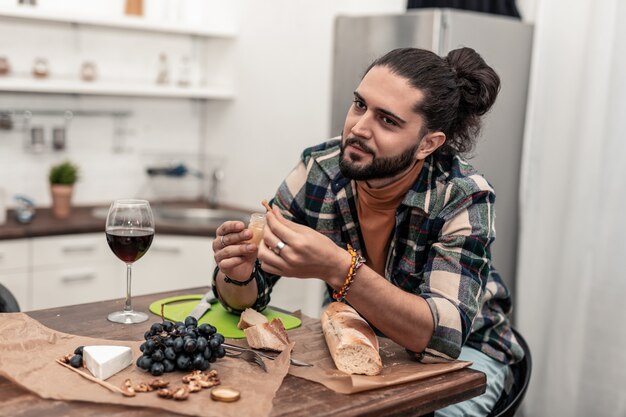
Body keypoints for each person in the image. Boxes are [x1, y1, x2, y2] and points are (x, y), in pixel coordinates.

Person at [211, 47, 524, 416]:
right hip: (360, 339)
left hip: (469, 355)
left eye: (387, 121)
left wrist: (338, 268)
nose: (359, 128)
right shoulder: (320, 170)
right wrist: (238, 275)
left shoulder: (463, 194)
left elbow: (443, 336)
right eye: (360, 104)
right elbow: (246, 294)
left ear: (428, 143)